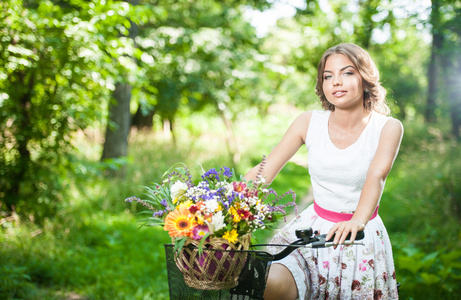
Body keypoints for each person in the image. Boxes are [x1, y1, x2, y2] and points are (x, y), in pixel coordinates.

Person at [245, 43, 403, 299]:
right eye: (328, 76)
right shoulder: (308, 122)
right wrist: (219, 203)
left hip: (357, 235)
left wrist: (357, 220)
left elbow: (377, 177)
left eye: (347, 73)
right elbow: (266, 169)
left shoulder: (387, 127)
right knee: (268, 282)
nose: (336, 82)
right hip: (310, 231)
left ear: (365, 78)